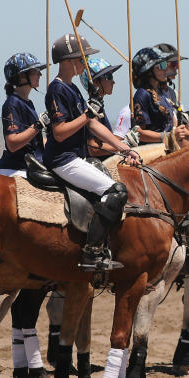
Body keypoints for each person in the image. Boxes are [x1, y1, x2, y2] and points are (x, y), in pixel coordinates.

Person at [44, 33, 140, 271]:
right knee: (115, 191)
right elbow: (60, 132)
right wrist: (87, 116)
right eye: (82, 57)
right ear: (69, 60)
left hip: (75, 158)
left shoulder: (73, 89)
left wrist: (123, 147)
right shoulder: (56, 90)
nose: (84, 62)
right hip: (63, 159)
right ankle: (92, 252)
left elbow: (93, 124)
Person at [0, 51, 51, 378]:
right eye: (34, 72)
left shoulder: (28, 103)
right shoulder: (12, 105)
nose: (39, 76)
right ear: (22, 78)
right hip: (14, 171)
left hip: (35, 168)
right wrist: (37, 126)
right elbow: (15, 143)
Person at [129, 46, 189, 145]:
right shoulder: (142, 94)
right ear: (148, 71)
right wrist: (169, 136)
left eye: (166, 65)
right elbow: (139, 133)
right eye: (161, 66)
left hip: (169, 146)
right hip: (153, 150)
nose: (166, 69)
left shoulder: (163, 93)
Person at [80, 57, 125, 158]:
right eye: (109, 76)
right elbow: (94, 149)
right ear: (95, 82)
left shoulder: (99, 109)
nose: (113, 82)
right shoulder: (90, 110)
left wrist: (124, 139)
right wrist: (125, 145)